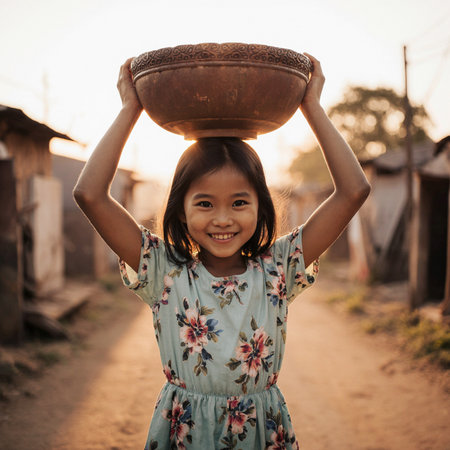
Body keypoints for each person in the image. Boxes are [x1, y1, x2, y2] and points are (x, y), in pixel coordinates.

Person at [73, 54, 371, 449]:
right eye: (205, 203)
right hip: (184, 433)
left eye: (239, 202)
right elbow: (89, 194)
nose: (223, 219)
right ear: (180, 208)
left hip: (261, 432)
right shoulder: (163, 269)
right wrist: (131, 108)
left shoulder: (279, 268)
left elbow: (353, 191)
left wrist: (311, 106)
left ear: (261, 207)